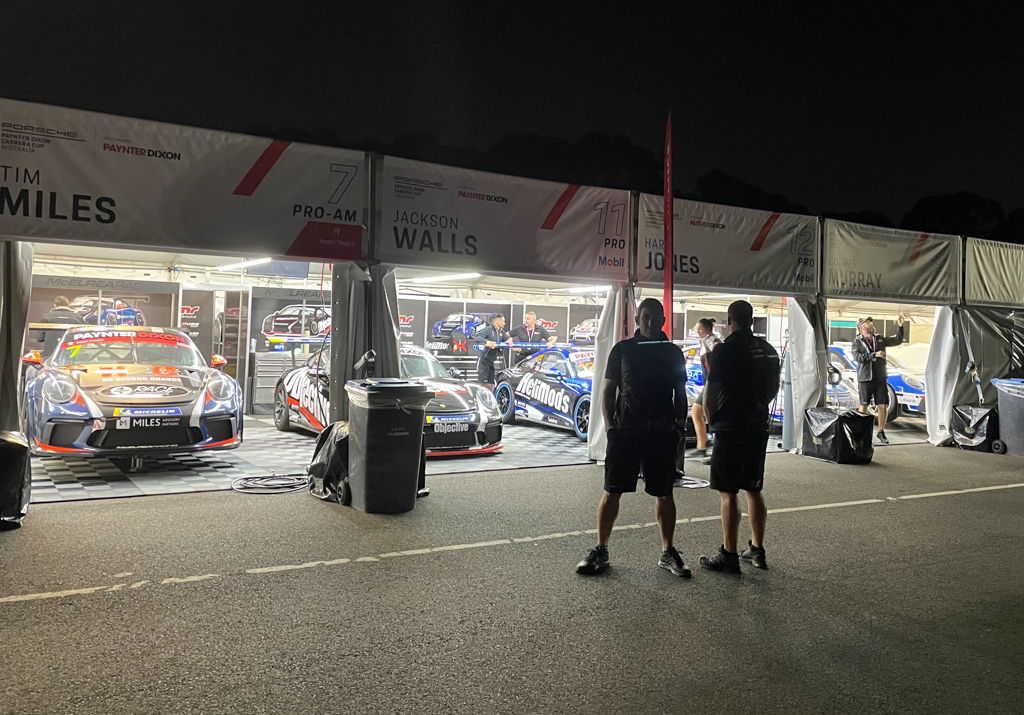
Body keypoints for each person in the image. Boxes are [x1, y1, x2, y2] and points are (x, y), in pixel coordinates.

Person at [575, 298, 691, 578]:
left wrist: (678, 425)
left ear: (664, 320)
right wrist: (610, 426)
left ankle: (668, 551)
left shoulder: (673, 353)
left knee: (664, 493)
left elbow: (680, 392)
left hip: (661, 433)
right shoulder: (622, 350)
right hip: (626, 432)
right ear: (638, 319)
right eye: (645, 317)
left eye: (655, 317)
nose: (650, 322)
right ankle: (600, 550)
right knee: (612, 491)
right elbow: (607, 390)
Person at [699, 300, 780, 573]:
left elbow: (711, 392)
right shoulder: (768, 350)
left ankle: (729, 553)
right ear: (753, 319)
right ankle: (757, 550)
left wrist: (712, 422)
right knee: (754, 489)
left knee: (728, 491)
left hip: (730, 427)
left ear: (729, 320)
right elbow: (773, 388)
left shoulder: (724, 351)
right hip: (758, 425)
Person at [851, 315, 905, 444]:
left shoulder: (879, 339)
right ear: (861, 327)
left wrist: (900, 326)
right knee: (864, 405)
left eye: (871, 323)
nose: (871, 325)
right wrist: (874, 354)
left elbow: (897, 340)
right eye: (868, 323)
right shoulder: (857, 341)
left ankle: (881, 432)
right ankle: (861, 433)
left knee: (883, 404)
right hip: (865, 378)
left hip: (880, 377)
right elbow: (857, 357)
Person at [685, 318, 723, 463]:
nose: (698, 331)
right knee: (697, 411)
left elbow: (718, 350)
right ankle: (702, 447)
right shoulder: (704, 341)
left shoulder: (712, 340)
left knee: (710, 414)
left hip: (713, 384)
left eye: (700, 329)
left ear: (708, 329)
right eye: (697, 329)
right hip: (709, 383)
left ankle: (713, 451)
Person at [472, 313, 511, 391]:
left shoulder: (501, 332)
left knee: (490, 384)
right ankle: (480, 400)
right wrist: (487, 342)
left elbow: (508, 339)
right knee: (482, 384)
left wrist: (510, 341)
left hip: (491, 361)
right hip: (483, 361)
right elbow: (477, 337)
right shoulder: (488, 329)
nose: (504, 323)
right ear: (498, 321)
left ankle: (489, 400)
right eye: (503, 321)